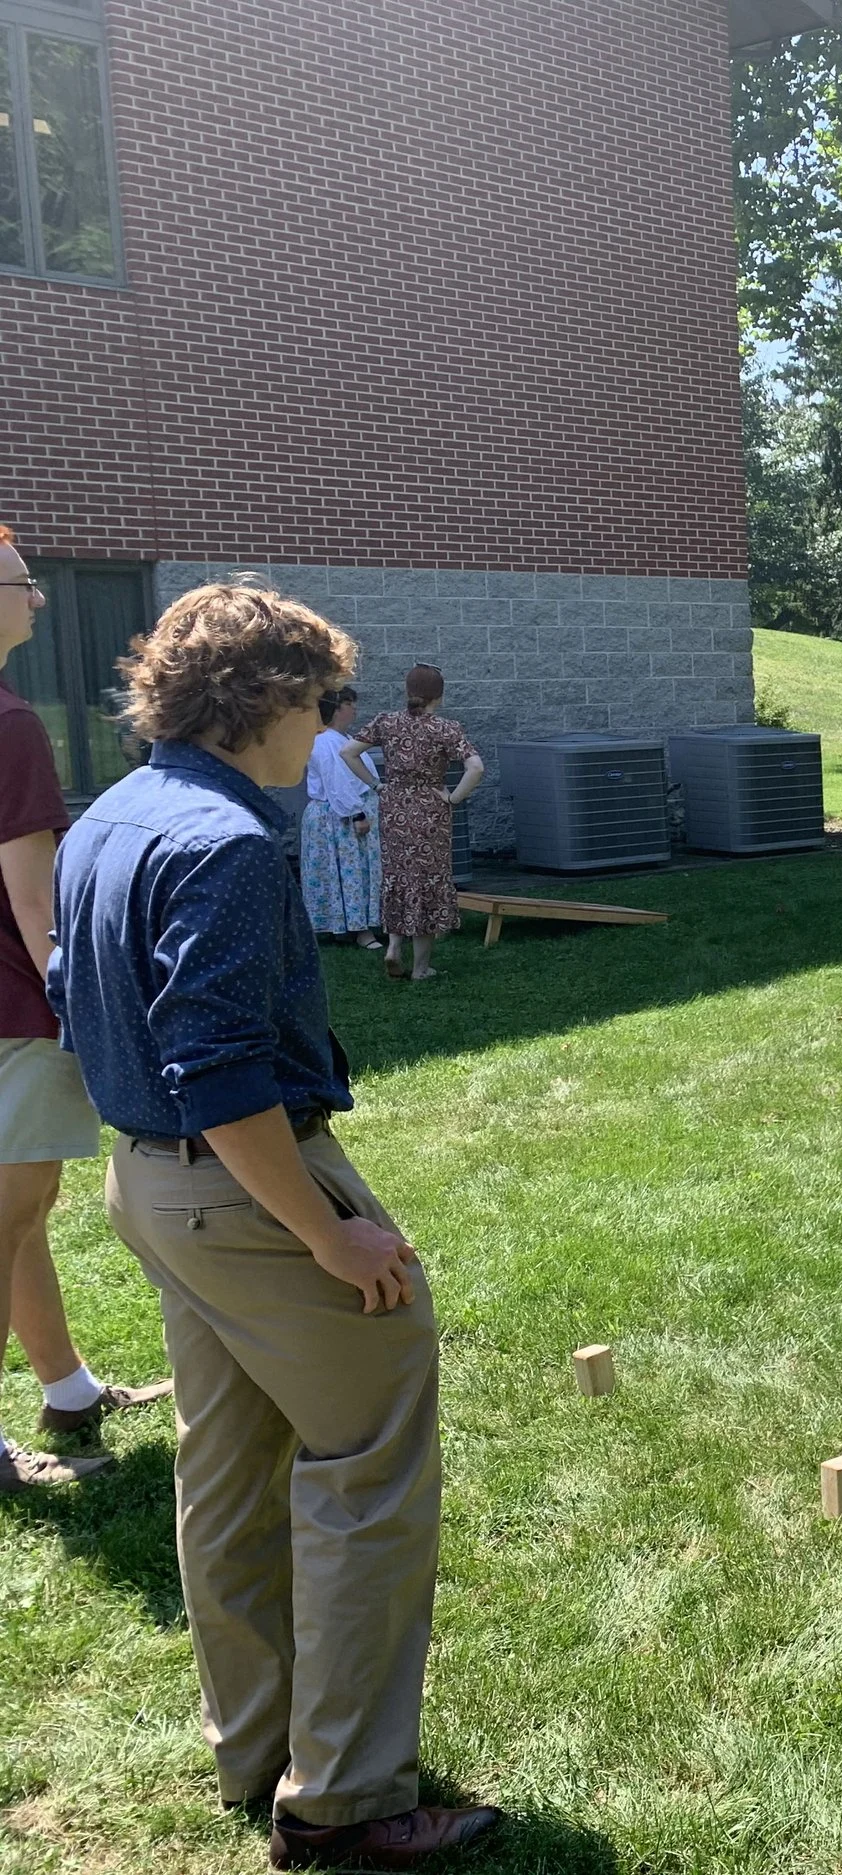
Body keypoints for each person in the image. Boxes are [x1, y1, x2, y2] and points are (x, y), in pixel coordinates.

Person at [49, 581, 501, 1866]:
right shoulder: (232, 843)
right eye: (323, 699)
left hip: (150, 1186)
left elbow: (67, 988)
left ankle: (255, 1749)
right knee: (366, 1460)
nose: (332, 723)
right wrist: (328, 1233)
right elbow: (223, 1066)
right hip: (246, 1186)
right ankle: (347, 1802)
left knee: (229, 1468)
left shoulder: (112, 816)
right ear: (266, 699)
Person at [0, 526, 172, 1493]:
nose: (39, 600)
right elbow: (33, 898)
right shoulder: (11, 723)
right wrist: (77, 1006)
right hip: (13, 1006)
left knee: (18, 1212)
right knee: (9, 1212)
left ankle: (66, 1388)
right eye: (25, 585)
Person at [351, 665, 482, 982]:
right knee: (426, 881)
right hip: (430, 811)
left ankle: (394, 947)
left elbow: (348, 752)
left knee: (398, 876)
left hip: (394, 807)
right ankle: (421, 968)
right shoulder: (445, 729)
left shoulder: (387, 722)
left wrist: (377, 785)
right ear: (439, 695)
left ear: (408, 691)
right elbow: (475, 768)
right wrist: (453, 799)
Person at [299, 688, 383, 949]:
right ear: (335, 709)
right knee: (350, 873)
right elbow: (337, 782)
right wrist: (356, 813)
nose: (353, 709)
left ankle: (350, 928)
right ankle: (359, 930)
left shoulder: (342, 739)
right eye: (348, 704)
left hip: (346, 813)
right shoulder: (325, 742)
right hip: (339, 817)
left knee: (356, 872)